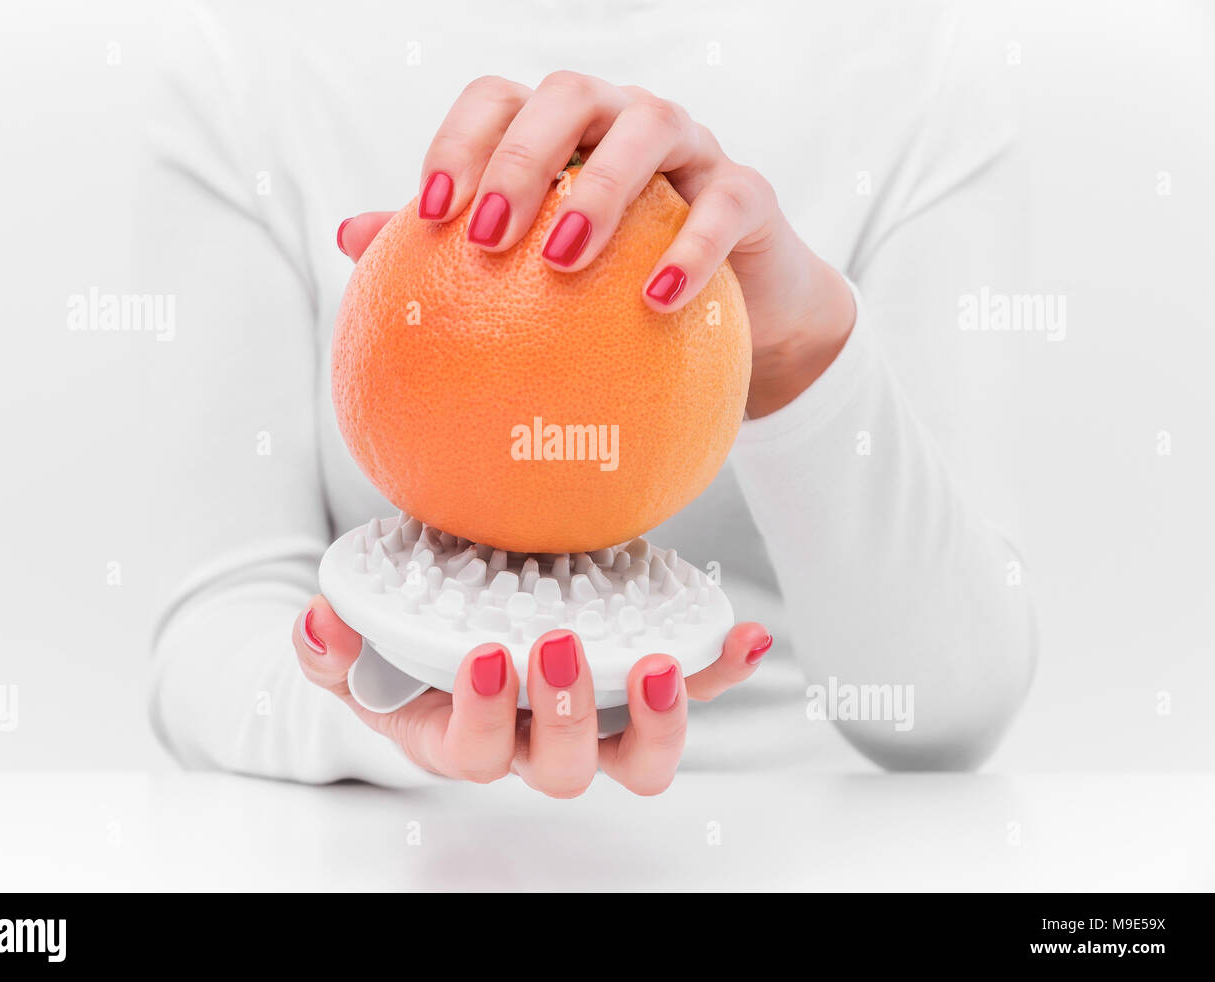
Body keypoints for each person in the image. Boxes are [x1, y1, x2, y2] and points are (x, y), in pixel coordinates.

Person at [140, 0, 1035, 796]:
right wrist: (397, 714)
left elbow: (951, 712)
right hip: (393, 845)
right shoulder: (244, 46)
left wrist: (800, 352)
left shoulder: (924, 52)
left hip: (806, 840)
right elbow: (214, 634)